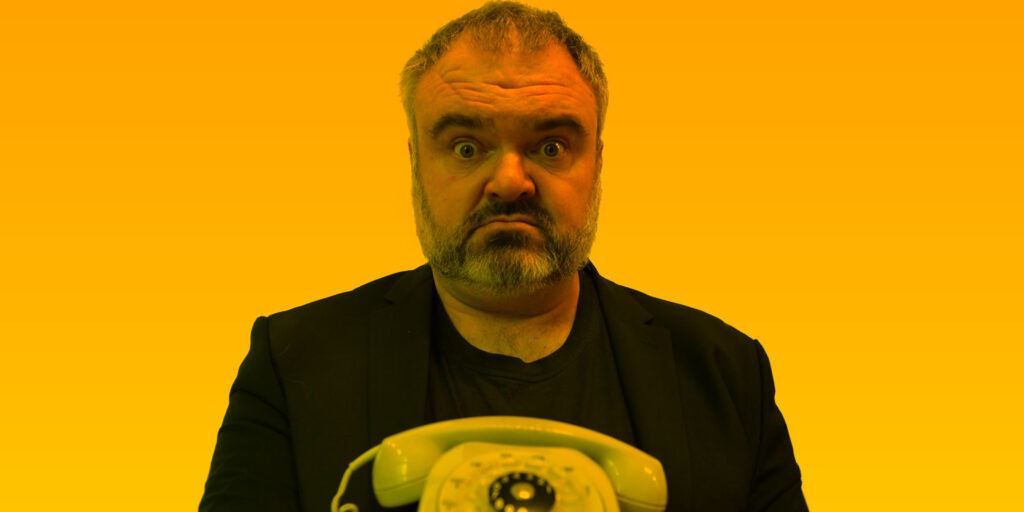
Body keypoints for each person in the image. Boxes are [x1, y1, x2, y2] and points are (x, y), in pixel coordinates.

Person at [199, 2, 808, 511]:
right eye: (466, 147)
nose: (511, 181)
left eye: (551, 145)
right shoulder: (294, 361)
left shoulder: (726, 374)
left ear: (598, 163)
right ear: (415, 164)